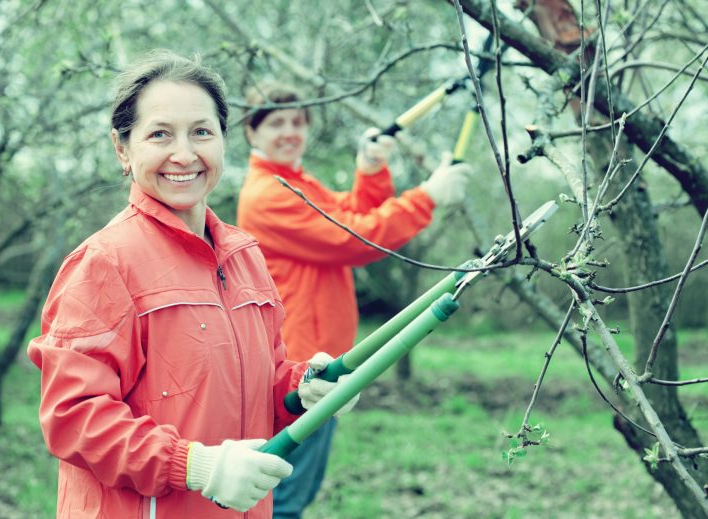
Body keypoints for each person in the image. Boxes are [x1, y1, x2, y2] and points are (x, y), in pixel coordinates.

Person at [27, 50, 356, 519]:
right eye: (160, 134)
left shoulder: (245, 256)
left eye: (201, 131)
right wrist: (195, 465)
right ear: (123, 149)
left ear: (224, 141)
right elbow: (72, 418)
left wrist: (303, 388)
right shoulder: (103, 264)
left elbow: (257, 384)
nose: (184, 154)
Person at [237, 81, 471, 518]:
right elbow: (356, 238)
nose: (290, 132)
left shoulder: (296, 184)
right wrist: (429, 197)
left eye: (297, 122)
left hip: (320, 362)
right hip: (300, 367)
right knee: (282, 499)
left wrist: (370, 169)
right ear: (252, 133)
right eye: (276, 124)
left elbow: (353, 215)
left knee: (290, 495)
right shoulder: (268, 195)